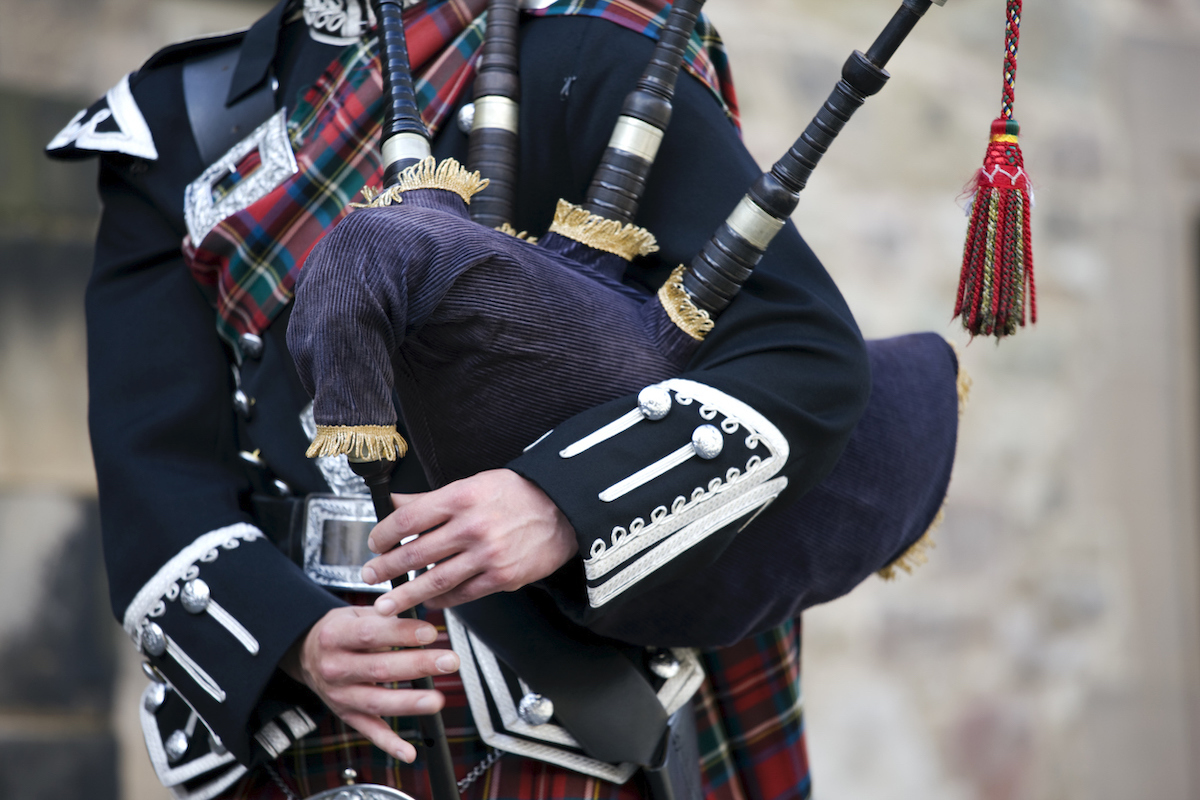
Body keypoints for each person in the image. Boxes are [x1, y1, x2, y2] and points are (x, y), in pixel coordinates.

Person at [44, 0, 929, 797]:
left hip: (566, 699)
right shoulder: (175, 125)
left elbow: (800, 356)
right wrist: (291, 640)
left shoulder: (594, 50)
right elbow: (149, 457)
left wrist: (560, 503)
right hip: (297, 718)